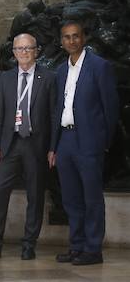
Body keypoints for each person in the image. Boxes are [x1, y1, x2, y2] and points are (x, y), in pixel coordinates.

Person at [0, 33, 57, 261]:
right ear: (13, 53)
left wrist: (53, 148)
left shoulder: (49, 78)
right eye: (19, 49)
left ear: (36, 51)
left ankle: (29, 244)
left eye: (28, 48)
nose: (23, 52)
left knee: (35, 195)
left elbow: (53, 115)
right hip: (9, 144)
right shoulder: (5, 78)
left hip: (36, 144)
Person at [52, 20, 119, 266]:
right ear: (62, 41)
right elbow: (56, 110)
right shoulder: (60, 71)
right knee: (71, 199)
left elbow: (110, 109)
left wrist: (102, 142)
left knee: (91, 198)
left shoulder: (100, 67)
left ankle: (93, 249)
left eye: (76, 36)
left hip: (89, 141)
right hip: (65, 141)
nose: (71, 41)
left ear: (84, 38)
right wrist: (54, 146)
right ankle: (76, 245)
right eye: (67, 37)